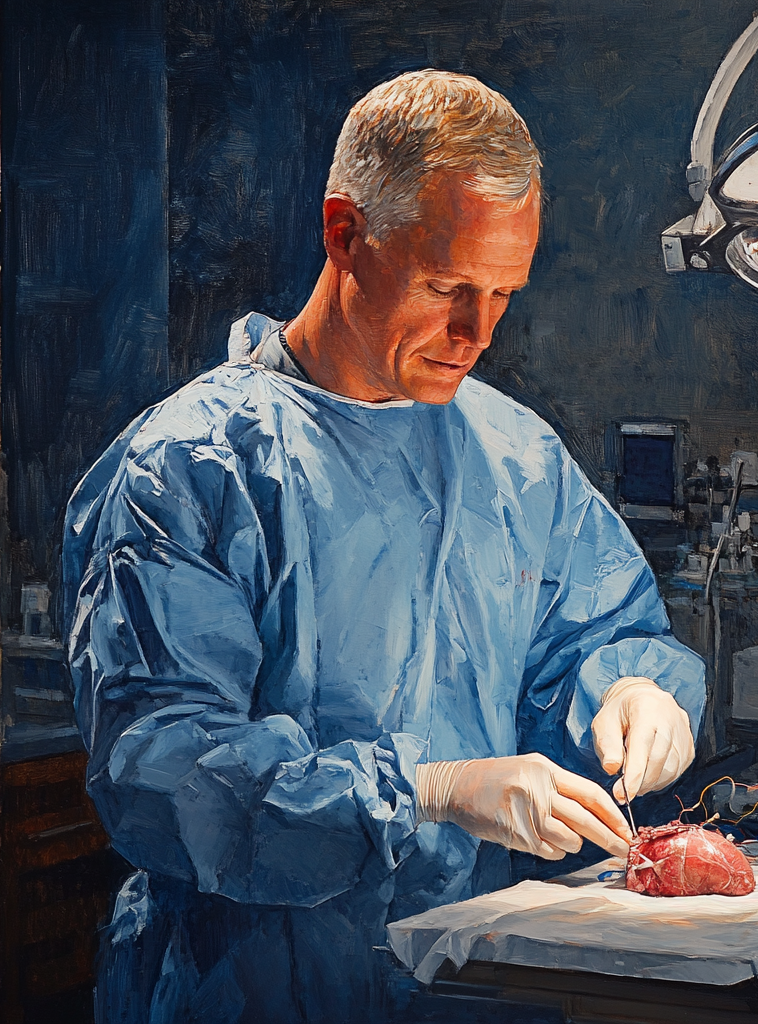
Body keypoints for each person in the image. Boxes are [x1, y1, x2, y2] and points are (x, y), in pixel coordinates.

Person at [63, 70, 706, 1024]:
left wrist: (633, 691)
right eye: (447, 288)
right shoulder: (192, 470)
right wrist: (428, 792)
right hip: (251, 989)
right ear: (344, 233)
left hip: (476, 983)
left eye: (503, 294)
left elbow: (593, 635)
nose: (477, 332)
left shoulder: (514, 456)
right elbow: (166, 772)